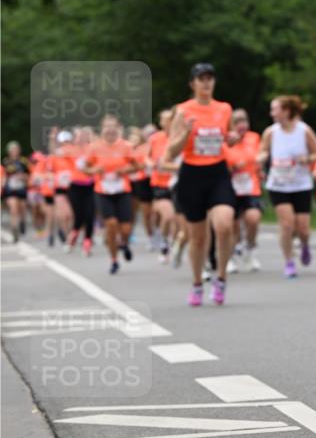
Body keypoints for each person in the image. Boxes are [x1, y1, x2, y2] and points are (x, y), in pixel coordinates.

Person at [167, 62, 235, 306]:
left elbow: (226, 138)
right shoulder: (183, 111)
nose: (206, 83)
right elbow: (171, 151)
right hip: (192, 175)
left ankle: (221, 277)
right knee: (197, 237)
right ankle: (197, 283)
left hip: (218, 173)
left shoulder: (224, 109)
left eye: (210, 79)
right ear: (192, 84)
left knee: (224, 225)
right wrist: (185, 134)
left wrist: (232, 139)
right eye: (201, 79)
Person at [256, 95, 316, 278]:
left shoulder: (304, 130)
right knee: (287, 224)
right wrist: (261, 157)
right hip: (278, 184)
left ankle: (305, 245)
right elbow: (262, 150)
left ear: (286, 111)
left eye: (274, 109)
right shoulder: (271, 132)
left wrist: (306, 159)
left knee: (303, 229)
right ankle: (289, 261)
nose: (272, 113)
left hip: (301, 184)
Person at [80, 114, 141, 274]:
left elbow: (137, 166)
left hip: (122, 190)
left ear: (118, 128)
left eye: (113, 126)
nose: (110, 129)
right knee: (111, 224)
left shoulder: (126, 146)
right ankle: (114, 260)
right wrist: (95, 170)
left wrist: (124, 170)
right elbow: (85, 169)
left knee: (126, 229)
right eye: (107, 126)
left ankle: (124, 242)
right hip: (103, 191)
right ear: (102, 129)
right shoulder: (94, 147)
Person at [225, 108, 262, 272]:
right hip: (231, 187)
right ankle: (231, 255)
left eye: (244, 121)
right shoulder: (226, 140)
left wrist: (260, 167)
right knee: (233, 225)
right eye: (237, 121)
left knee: (253, 219)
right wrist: (232, 168)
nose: (241, 125)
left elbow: (260, 156)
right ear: (231, 125)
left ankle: (250, 249)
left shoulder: (254, 138)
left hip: (250, 187)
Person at [147, 110, 177, 263]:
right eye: (166, 120)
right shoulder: (155, 138)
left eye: (171, 119)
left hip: (178, 182)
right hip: (160, 184)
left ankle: (171, 241)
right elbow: (146, 157)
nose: (168, 123)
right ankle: (164, 241)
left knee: (178, 219)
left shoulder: (180, 137)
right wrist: (151, 164)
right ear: (161, 122)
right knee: (168, 215)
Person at [66, 126, 96, 256]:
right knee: (79, 215)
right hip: (75, 186)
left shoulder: (93, 149)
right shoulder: (70, 149)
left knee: (90, 215)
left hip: (91, 185)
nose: (81, 138)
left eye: (83, 136)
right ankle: (74, 233)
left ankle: (87, 242)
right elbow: (54, 150)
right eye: (78, 136)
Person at [2, 141, 30, 241]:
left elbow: (29, 175)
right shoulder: (5, 162)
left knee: (22, 209)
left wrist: (22, 177)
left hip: (21, 189)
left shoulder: (24, 161)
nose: (14, 152)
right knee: (13, 209)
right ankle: (14, 229)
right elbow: (2, 175)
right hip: (10, 189)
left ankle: (22, 222)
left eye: (16, 150)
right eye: (12, 150)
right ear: (9, 151)